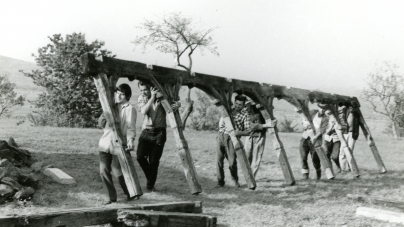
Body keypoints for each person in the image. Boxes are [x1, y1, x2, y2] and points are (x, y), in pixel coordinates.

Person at [136, 81, 180, 192]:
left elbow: (172, 105)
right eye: (141, 90)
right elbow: (143, 111)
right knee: (140, 157)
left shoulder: (162, 97)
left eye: (145, 89)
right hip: (146, 131)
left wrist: (178, 105)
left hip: (159, 132)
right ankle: (151, 179)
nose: (143, 92)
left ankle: (150, 186)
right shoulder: (142, 98)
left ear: (150, 88)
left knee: (154, 161)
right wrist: (151, 98)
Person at [98, 83, 137, 204]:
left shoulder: (130, 109)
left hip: (118, 145)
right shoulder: (110, 106)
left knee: (118, 172)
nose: (119, 96)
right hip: (105, 143)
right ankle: (112, 198)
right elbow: (100, 124)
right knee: (103, 171)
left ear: (127, 96)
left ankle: (130, 193)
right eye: (118, 93)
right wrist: (105, 112)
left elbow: (131, 127)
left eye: (122, 94)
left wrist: (130, 140)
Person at [216, 95, 252, 188]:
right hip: (221, 136)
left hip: (232, 139)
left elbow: (248, 131)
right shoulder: (228, 110)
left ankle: (235, 181)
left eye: (240, 104)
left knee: (232, 162)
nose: (237, 106)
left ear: (244, 105)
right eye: (236, 103)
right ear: (234, 102)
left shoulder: (245, 115)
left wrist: (238, 132)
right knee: (219, 161)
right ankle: (220, 182)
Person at [243, 101, 277, 178]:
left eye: (247, 105)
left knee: (256, 158)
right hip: (249, 136)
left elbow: (270, 120)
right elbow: (249, 125)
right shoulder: (245, 111)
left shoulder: (261, 110)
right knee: (247, 157)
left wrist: (274, 121)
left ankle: (251, 178)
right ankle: (247, 176)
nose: (245, 107)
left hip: (260, 136)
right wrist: (266, 125)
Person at [339, 103, 360, 171]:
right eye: (350, 108)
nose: (352, 109)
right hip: (345, 133)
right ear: (348, 107)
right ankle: (342, 168)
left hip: (352, 134)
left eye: (353, 108)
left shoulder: (357, 114)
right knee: (342, 151)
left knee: (350, 151)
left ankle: (350, 168)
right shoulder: (344, 112)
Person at [323, 108, 342, 172]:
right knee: (327, 155)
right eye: (327, 113)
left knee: (335, 156)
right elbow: (327, 132)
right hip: (327, 139)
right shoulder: (325, 120)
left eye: (330, 113)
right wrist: (331, 126)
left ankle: (340, 167)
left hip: (336, 139)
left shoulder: (338, 120)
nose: (328, 115)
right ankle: (330, 170)